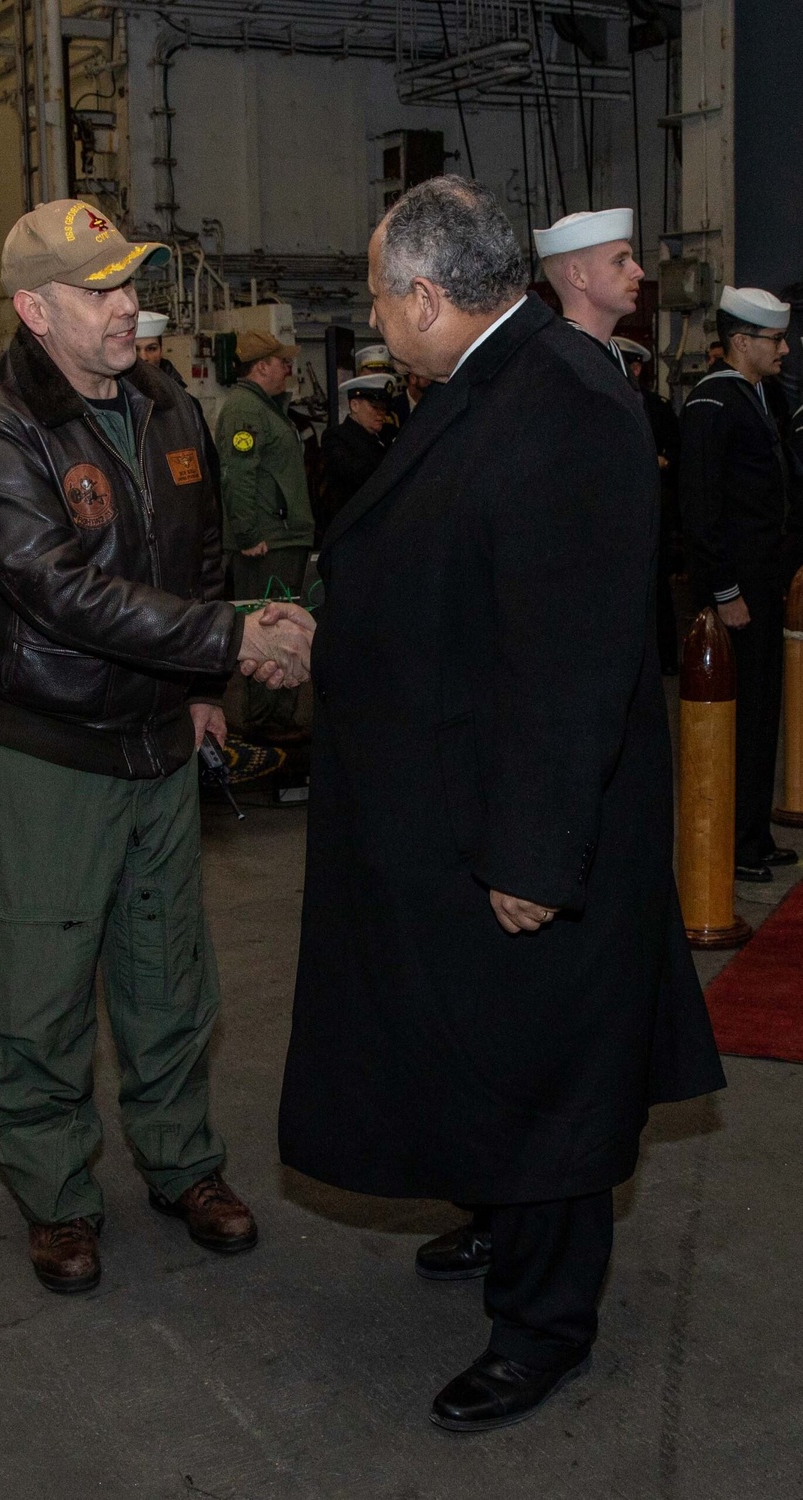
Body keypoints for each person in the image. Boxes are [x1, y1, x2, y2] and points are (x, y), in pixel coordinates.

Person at [274, 175, 724, 1432]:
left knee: (549, 1083)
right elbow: (452, 577)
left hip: (529, 831)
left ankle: (544, 1328)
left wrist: (536, 855)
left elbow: (572, 659)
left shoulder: (563, 400)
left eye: (377, 294)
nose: (376, 317)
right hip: (460, 810)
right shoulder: (493, 379)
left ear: (425, 295)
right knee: (486, 1053)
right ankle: (499, 1219)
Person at [0, 199, 313, 1294]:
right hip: (42, 747)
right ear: (32, 308)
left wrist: (199, 684)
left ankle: (183, 1165)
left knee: (167, 973)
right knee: (37, 986)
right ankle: (55, 1197)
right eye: (100, 291)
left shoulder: (162, 403)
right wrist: (235, 642)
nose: (127, 308)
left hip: (152, 732)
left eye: (128, 285)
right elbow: (61, 594)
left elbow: (189, 557)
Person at [680, 284, 801, 882]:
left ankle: (752, 835)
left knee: (760, 719)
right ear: (742, 343)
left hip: (763, 586)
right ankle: (732, 842)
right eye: (775, 340)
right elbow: (701, 510)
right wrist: (724, 593)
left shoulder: (758, 397)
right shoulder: (713, 403)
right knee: (737, 722)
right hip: (738, 595)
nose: (784, 350)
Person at [214, 330, 314, 743]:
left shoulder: (262, 408)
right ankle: (261, 725)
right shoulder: (244, 409)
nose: (288, 370)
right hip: (265, 542)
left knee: (283, 630)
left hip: (280, 538)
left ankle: (279, 719)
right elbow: (238, 475)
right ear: (261, 367)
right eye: (282, 363)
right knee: (265, 632)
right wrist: (248, 532)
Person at [617, 337, 682, 674]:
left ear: (637, 368)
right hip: (621, 514)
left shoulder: (655, 406)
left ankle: (666, 661)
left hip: (654, 509)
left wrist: (659, 461)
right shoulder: (608, 401)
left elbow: (676, 453)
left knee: (657, 591)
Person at [534, 208, 644, 381]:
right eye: (620, 261)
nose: (638, 272)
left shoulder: (603, 355)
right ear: (577, 277)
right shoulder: (560, 365)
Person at [131, 308, 220, 495]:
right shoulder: (116, 404)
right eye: (136, 349)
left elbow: (209, 470)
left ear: (161, 351)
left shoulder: (186, 404)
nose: (144, 357)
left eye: (151, 348)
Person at [318, 373, 395, 531]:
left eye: (383, 407)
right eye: (374, 406)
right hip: (354, 526)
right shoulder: (336, 437)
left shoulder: (387, 436)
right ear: (354, 405)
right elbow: (357, 473)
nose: (381, 413)